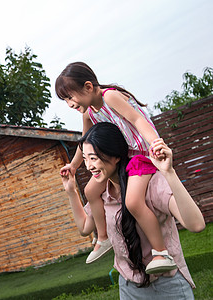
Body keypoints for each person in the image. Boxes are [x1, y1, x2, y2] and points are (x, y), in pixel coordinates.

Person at [60, 122, 205, 298]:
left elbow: (196, 225)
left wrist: (169, 173)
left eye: (94, 158)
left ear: (115, 156)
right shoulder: (102, 193)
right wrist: (71, 192)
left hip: (167, 283)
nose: (89, 166)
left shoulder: (150, 185)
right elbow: (84, 228)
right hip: (129, 286)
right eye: (85, 159)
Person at [56, 62, 174, 274]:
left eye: (70, 97)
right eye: (65, 100)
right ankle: (102, 238)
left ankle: (160, 252)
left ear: (89, 87)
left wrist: (156, 143)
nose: (69, 104)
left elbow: (137, 119)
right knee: (91, 190)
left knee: (133, 201)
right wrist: (73, 165)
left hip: (141, 154)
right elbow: (85, 142)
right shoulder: (89, 113)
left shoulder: (110, 97)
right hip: (122, 157)